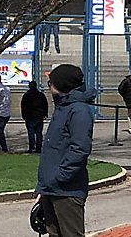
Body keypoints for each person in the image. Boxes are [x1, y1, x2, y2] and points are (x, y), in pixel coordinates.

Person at [36, 64, 95, 237]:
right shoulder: (63, 107)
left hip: (67, 190)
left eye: (51, 82)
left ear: (61, 85)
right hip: (51, 188)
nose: (49, 85)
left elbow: (80, 149)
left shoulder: (79, 110)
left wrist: (59, 178)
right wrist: (44, 186)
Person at [22, 80, 50, 153]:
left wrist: (24, 115)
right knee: (39, 133)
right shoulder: (40, 95)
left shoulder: (26, 95)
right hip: (39, 116)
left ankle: (32, 147)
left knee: (31, 132)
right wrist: (45, 114)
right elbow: (45, 104)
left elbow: (23, 106)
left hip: (30, 116)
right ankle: (39, 148)